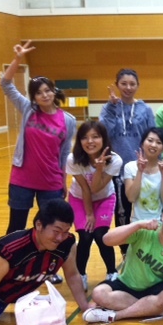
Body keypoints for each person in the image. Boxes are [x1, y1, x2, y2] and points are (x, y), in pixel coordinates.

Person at [0, 199, 91, 325]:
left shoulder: (67, 245)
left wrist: (85, 307)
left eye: (65, 232)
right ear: (39, 225)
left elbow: (72, 275)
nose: (60, 238)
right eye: (56, 231)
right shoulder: (10, 248)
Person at [0, 41, 76, 235]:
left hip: (50, 181)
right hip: (22, 179)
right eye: (39, 93)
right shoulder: (28, 109)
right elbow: (5, 84)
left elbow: (64, 154)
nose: (44, 95)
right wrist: (17, 59)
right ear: (33, 97)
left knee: (49, 228)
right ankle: (11, 255)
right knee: (16, 227)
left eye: (47, 90)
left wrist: (63, 181)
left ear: (53, 91)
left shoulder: (68, 120)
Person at [81, 199, 163, 323]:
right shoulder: (145, 229)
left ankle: (116, 315)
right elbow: (107, 240)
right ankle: (154, 310)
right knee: (98, 293)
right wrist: (137, 225)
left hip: (152, 290)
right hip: (126, 284)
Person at [99, 68, 155, 255]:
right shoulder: (109, 108)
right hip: (118, 170)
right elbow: (104, 132)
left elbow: (153, 137)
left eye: (132, 84)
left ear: (138, 85)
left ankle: (145, 249)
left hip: (141, 169)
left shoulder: (145, 110)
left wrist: (153, 165)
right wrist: (111, 108)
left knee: (144, 209)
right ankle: (125, 253)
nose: (128, 87)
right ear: (117, 85)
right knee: (122, 212)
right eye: (124, 83)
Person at [66, 121, 122, 291]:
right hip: (79, 198)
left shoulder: (115, 160)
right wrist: (89, 214)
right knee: (85, 236)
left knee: (100, 234)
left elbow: (97, 188)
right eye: (85, 137)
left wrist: (99, 169)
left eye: (95, 137)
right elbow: (86, 189)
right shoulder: (73, 159)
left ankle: (112, 272)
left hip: (105, 198)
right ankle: (81, 275)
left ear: (103, 139)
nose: (90, 141)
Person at [123, 127, 163, 222]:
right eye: (150, 140)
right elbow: (131, 198)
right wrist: (140, 171)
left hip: (160, 223)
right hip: (136, 223)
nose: (153, 145)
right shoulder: (130, 167)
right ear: (142, 143)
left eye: (159, 142)